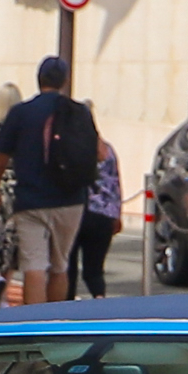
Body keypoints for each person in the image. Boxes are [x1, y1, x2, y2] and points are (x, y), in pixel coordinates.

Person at [0, 56, 95, 306]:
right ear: (65, 81)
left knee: (33, 266)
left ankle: (34, 327)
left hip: (31, 200)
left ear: (39, 80)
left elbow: (0, 160)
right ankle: (53, 323)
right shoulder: (79, 111)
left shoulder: (21, 113)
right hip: (71, 200)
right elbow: (97, 153)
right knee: (60, 266)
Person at [71, 125, 123, 299]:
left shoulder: (75, 148)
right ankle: (99, 300)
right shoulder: (108, 151)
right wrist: (117, 213)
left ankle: (65, 306)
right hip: (104, 214)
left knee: (68, 266)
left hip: (78, 211)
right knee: (94, 270)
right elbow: (115, 183)